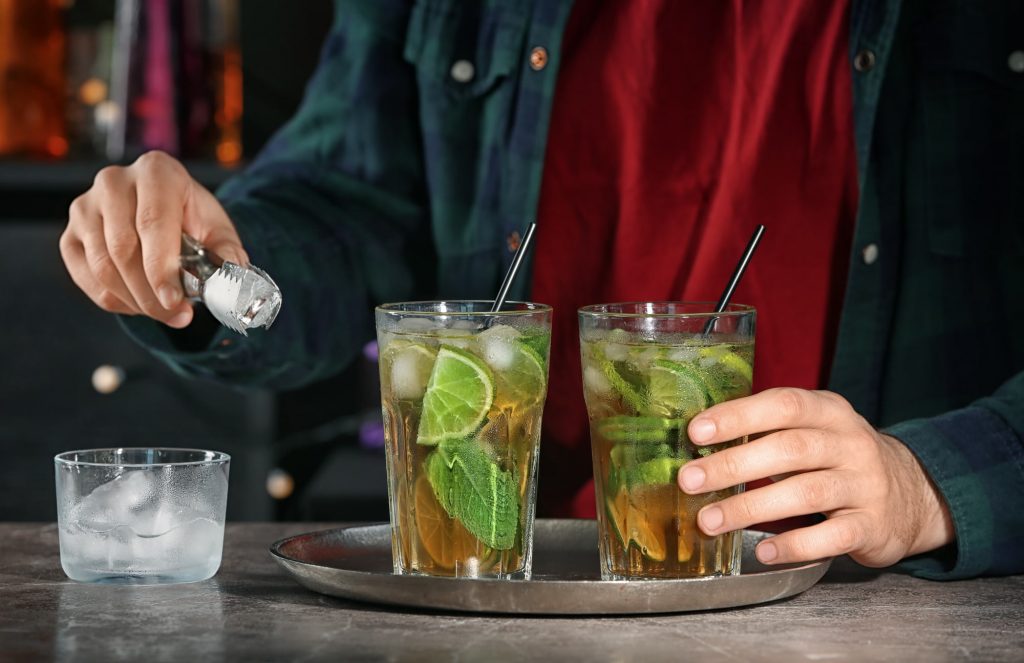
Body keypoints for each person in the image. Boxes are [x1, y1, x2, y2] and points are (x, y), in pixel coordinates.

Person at [59, 0, 1023, 579]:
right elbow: (346, 199)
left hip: (876, 602)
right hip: (516, 588)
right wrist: (210, 258)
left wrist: (930, 481)